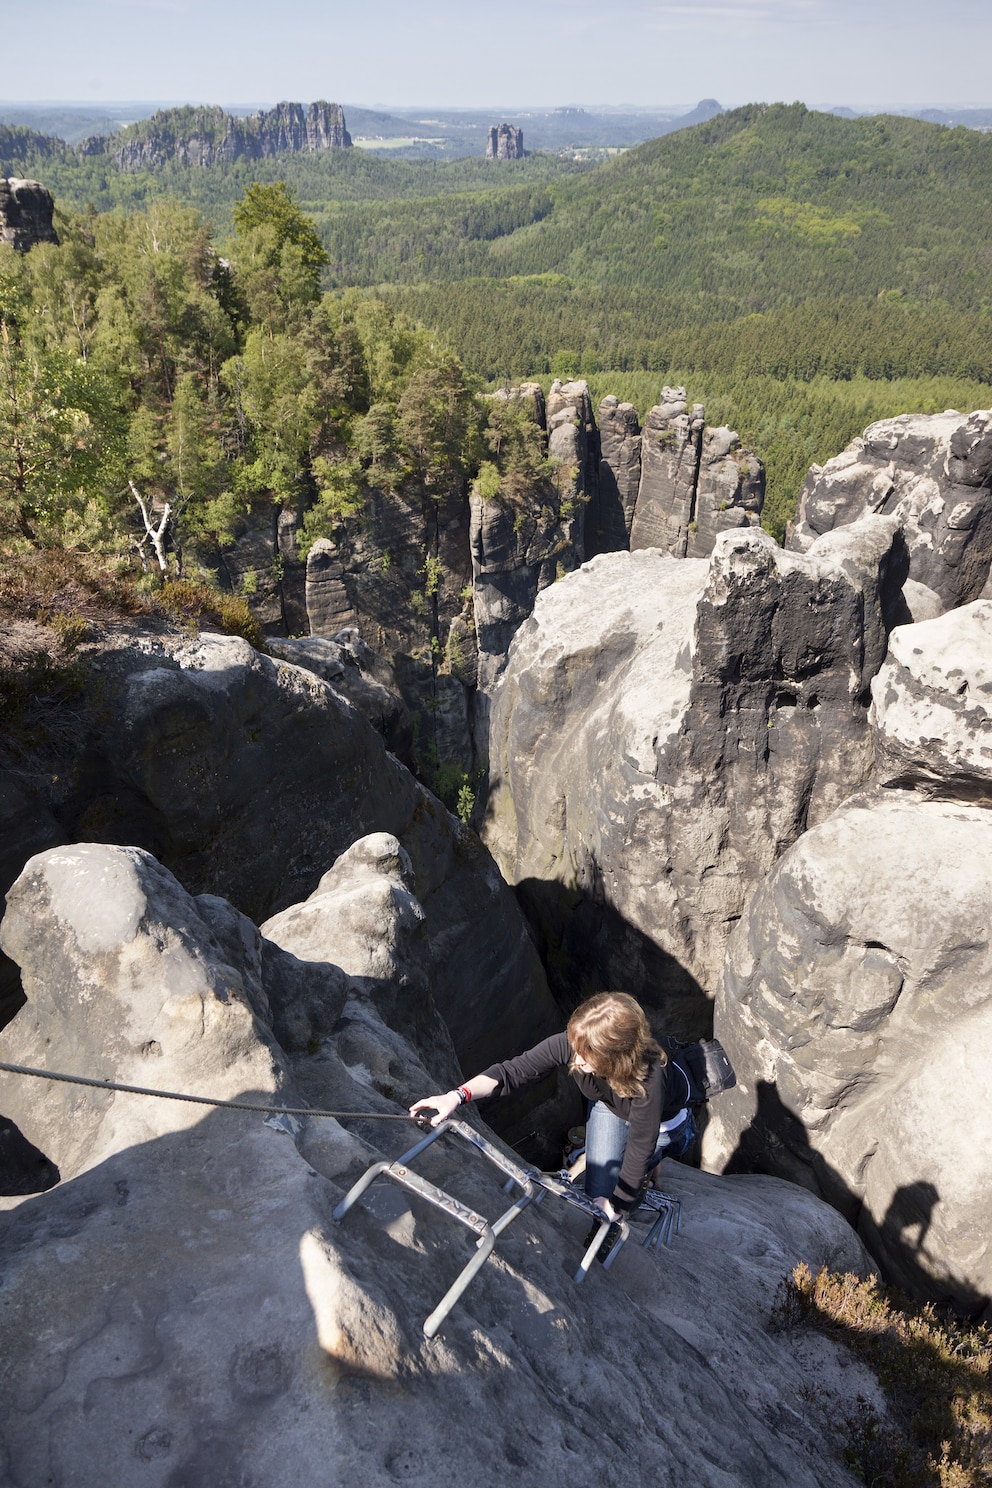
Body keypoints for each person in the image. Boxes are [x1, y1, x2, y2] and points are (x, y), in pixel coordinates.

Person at [409, 991, 695, 1226]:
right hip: (611, 1106)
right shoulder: (575, 1046)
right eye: (577, 1049)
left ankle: (660, 1163)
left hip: (661, 1124)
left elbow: (640, 1146)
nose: (576, 1060)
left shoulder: (650, 1080)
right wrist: (457, 1096)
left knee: (623, 1188)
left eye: (587, 1057)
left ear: (615, 1058)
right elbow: (513, 1072)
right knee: (597, 1192)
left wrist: (618, 1205)